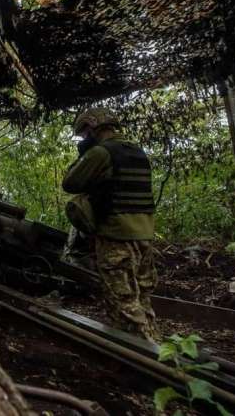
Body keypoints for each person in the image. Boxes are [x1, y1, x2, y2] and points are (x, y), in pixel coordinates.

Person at [62, 107, 160, 341]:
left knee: (124, 305)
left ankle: (140, 355)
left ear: (91, 128)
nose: (83, 138)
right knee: (143, 301)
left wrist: (84, 154)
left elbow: (70, 183)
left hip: (116, 236)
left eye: (84, 134)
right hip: (145, 235)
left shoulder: (101, 152)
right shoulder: (137, 151)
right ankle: (158, 347)